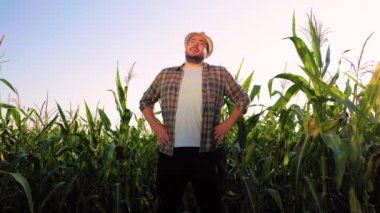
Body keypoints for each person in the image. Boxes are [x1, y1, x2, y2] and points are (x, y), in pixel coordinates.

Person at [139, 32, 249, 213]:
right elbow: (145, 101)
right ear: (185, 47)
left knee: (211, 207)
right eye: (192, 41)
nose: (195, 45)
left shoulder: (219, 74)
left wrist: (227, 123)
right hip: (171, 153)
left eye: (201, 43)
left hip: (208, 152)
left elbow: (242, 98)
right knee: (166, 206)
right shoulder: (165, 75)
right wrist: (156, 126)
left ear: (207, 51)